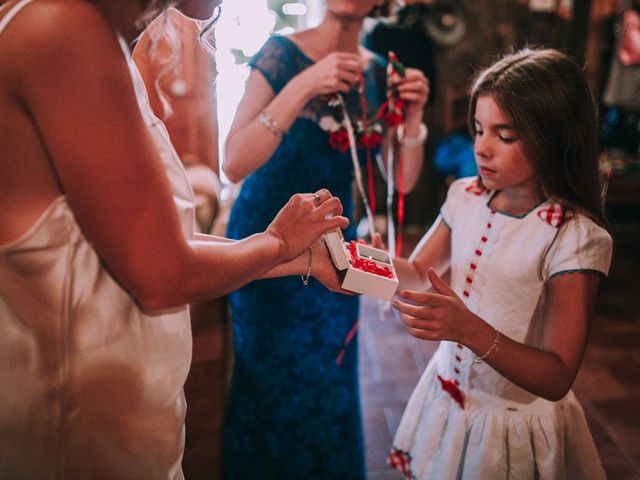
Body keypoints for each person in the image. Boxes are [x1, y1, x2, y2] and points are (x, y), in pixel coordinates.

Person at [0, 1, 350, 479]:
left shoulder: (94, 35)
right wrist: (275, 242)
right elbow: (162, 277)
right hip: (77, 437)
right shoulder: (62, 26)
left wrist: (296, 258)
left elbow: (159, 246)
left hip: (119, 423)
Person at [221, 0, 429, 478]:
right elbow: (232, 161)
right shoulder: (279, 55)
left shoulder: (378, 73)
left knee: (331, 375)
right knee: (270, 380)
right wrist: (302, 86)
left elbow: (401, 182)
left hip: (336, 251)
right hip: (267, 248)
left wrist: (412, 116)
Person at [385, 49, 613, 479]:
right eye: (478, 130)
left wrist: (467, 329)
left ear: (555, 137)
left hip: (510, 423)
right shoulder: (465, 195)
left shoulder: (573, 235)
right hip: (449, 396)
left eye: (505, 136)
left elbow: (557, 375)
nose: (482, 149)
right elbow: (417, 273)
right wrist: (359, 262)